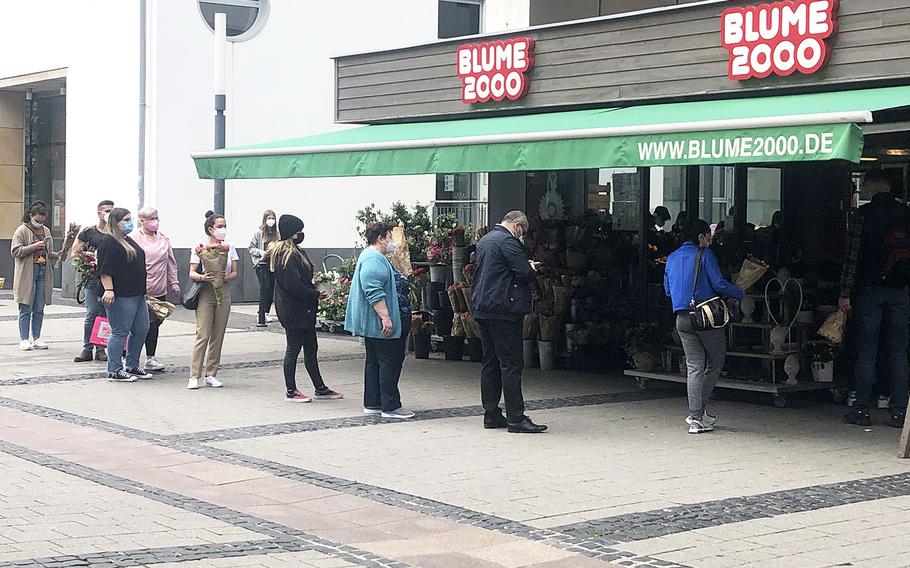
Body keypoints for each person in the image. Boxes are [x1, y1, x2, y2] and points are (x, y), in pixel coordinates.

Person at [840, 174, 910, 429]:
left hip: (869, 289)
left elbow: (852, 257)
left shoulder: (863, 216)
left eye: (866, 185)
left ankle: (861, 409)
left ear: (878, 186)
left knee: (867, 351)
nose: (863, 189)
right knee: (899, 351)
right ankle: (900, 412)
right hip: (901, 289)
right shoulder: (905, 213)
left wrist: (845, 292)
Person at [471, 211, 547, 434]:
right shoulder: (508, 241)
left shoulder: (485, 240)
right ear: (516, 225)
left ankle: (491, 413)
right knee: (511, 364)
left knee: (490, 362)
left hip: (484, 308)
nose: (521, 235)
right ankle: (516, 417)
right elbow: (523, 273)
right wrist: (531, 267)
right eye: (522, 231)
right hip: (504, 310)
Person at [664, 219, 743, 434]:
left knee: (694, 366)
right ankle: (698, 412)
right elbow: (719, 283)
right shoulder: (705, 254)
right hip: (705, 317)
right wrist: (739, 292)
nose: (710, 241)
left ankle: (697, 418)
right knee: (716, 361)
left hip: (681, 318)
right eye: (709, 236)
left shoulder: (670, 258)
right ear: (700, 237)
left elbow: (668, 291)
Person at [345, 222, 414, 419]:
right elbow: (373, 289)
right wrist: (386, 317)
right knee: (389, 362)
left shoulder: (372, 256)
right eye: (390, 236)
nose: (392, 241)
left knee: (375, 362)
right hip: (380, 323)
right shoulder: (374, 258)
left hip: (374, 324)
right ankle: (390, 406)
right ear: (381, 238)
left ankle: (373, 402)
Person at [271, 214, 343, 402]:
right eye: (298, 231)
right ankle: (291, 390)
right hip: (293, 309)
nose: (301, 234)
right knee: (293, 348)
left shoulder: (296, 251)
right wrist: (314, 293)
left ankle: (320, 387)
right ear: (291, 233)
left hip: (304, 309)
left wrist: (314, 285)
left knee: (311, 348)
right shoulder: (286, 255)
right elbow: (293, 285)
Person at [96, 208, 152, 382]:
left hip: (137, 293)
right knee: (120, 331)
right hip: (120, 294)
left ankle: (132, 365)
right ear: (115, 222)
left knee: (142, 329)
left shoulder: (128, 240)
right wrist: (109, 289)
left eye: (130, 219)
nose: (130, 222)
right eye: (126, 220)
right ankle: (114, 369)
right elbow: (104, 269)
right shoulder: (109, 242)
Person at [188, 211, 239, 390]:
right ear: (211, 229)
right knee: (203, 333)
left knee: (218, 334)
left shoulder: (229, 247)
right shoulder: (200, 247)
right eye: (219, 226)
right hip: (206, 292)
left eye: (224, 226)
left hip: (223, 291)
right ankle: (194, 374)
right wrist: (203, 277)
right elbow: (192, 273)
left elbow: (234, 272)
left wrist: (226, 277)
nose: (223, 229)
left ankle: (211, 373)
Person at [130, 207, 181, 372]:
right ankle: (129, 357)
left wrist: (174, 282)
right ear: (141, 220)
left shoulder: (163, 239)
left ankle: (151, 357)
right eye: (150, 218)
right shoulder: (133, 238)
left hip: (159, 290)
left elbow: (170, 262)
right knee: (139, 325)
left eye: (156, 218)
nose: (154, 222)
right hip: (139, 289)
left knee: (155, 323)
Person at [11, 202, 63, 351]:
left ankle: (37, 337)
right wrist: (34, 246)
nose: (39, 223)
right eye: (37, 220)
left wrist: (57, 254)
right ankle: (24, 338)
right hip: (27, 272)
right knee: (25, 306)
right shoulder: (21, 230)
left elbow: (49, 252)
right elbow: (15, 251)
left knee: (39, 307)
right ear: (31, 216)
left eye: (42, 221)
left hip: (42, 271)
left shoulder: (46, 231)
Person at [72, 200, 115, 362]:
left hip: (110, 279)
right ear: (99, 213)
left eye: (112, 210)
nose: (109, 214)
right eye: (106, 211)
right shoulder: (89, 232)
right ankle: (87, 348)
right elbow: (75, 253)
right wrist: (87, 263)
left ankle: (101, 348)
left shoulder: (115, 233)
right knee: (92, 313)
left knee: (105, 314)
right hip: (92, 279)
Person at [250, 210, 278, 327]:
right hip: (261, 264)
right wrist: (261, 252)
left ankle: (265, 312)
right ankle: (260, 313)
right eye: (269, 218)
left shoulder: (277, 233)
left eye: (273, 218)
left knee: (271, 288)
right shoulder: (259, 233)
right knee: (265, 287)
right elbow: (251, 248)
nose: (271, 221)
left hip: (273, 264)